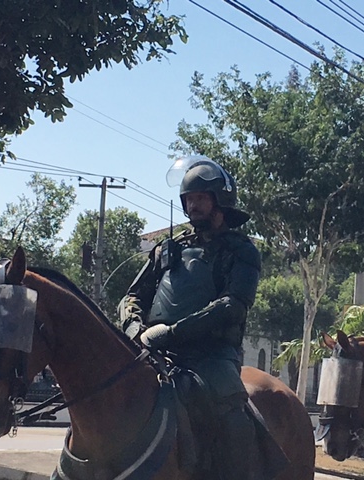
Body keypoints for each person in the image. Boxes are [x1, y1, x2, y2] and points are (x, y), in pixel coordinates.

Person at [118, 155, 262, 479]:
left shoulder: (242, 251)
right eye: (189, 199)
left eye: (200, 198)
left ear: (219, 201)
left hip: (212, 355)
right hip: (153, 348)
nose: (193, 205)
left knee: (231, 413)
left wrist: (171, 333)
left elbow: (233, 305)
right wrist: (134, 327)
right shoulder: (167, 248)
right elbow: (132, 296)